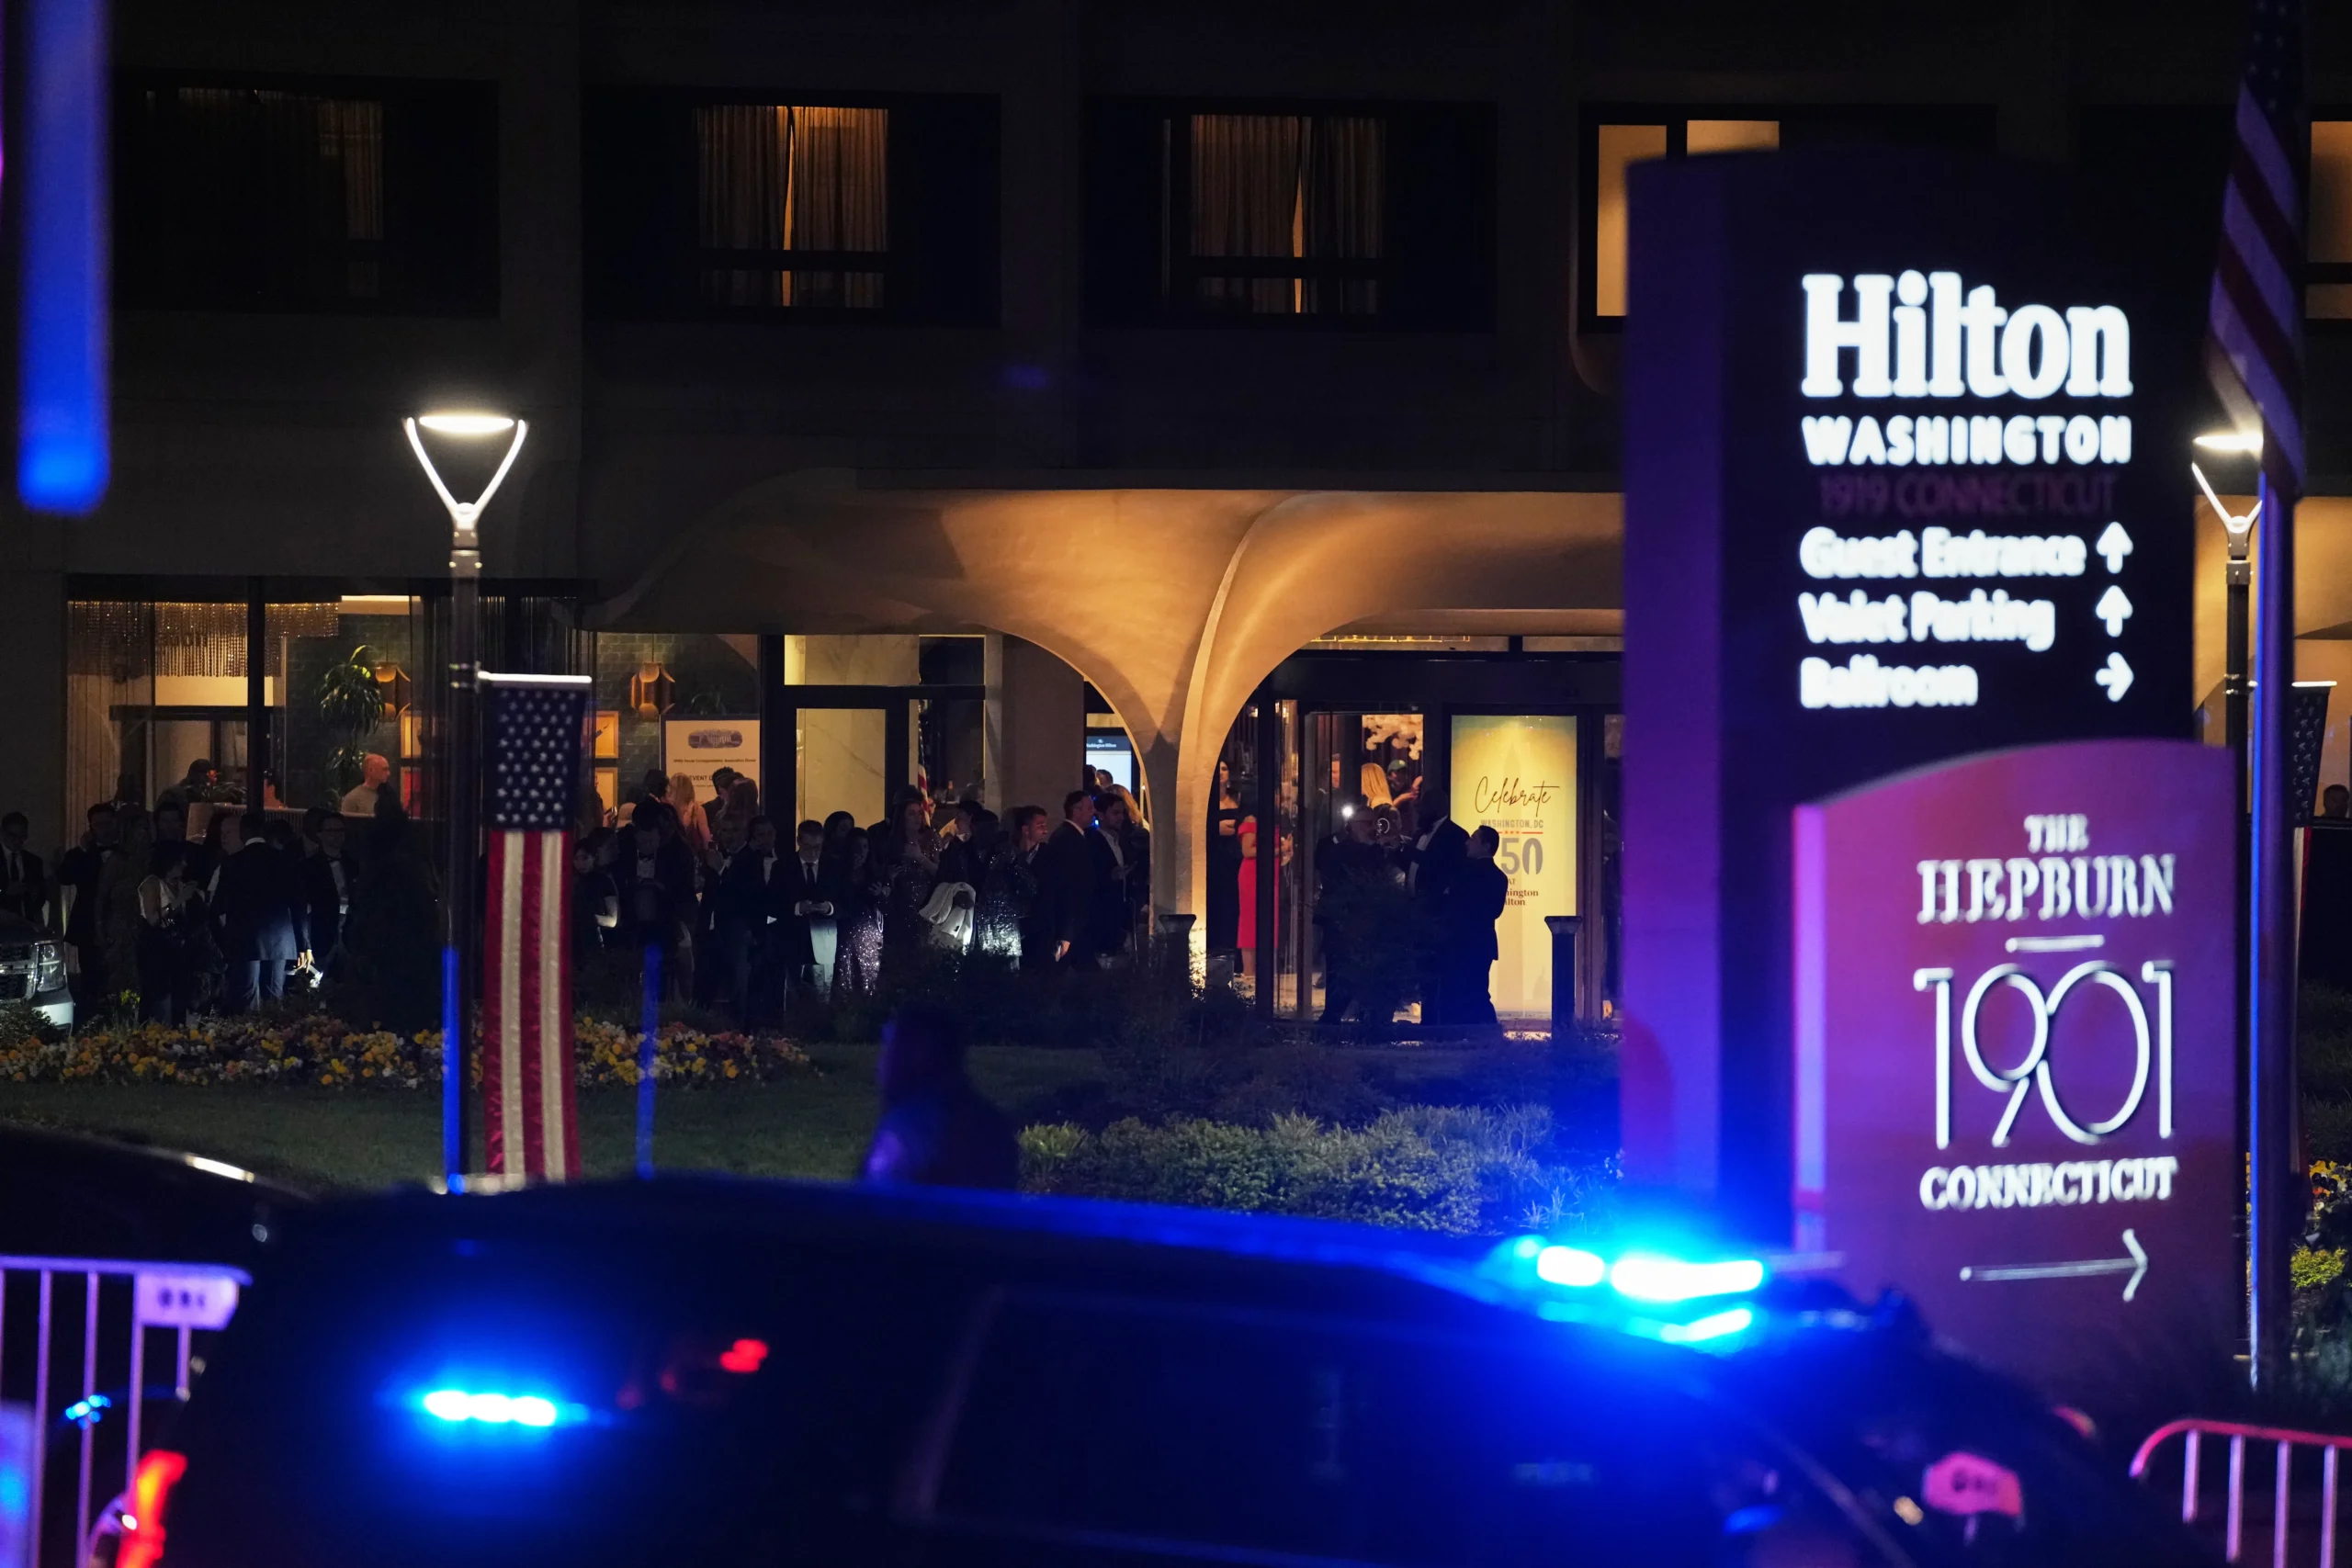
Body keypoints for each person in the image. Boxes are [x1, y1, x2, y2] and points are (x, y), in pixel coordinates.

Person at [860, 1005, 1019, 1190]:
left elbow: (874, 1202)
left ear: (919, 1053)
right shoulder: (992, 1124)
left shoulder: (910, 1131)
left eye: (890, 1049)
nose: (881, 1064)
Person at [210, 811, 309, 1012]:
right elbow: (298, 904)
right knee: (273, 997)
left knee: (246, 997)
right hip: (281, 939)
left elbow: (218, 907)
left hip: (244, 938)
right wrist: (304, 945)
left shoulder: (233, 863)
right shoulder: (284, 860)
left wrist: (224, 942)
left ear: (243, 832)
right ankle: (273, 1039)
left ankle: (249, 1040)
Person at [1316, 799, 1390, 1024]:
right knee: (1340, 979)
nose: (1373, 828)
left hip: (1361, 925)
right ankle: (1330, 1024)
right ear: (1356, 825)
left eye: (1374, 823)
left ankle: (1343, 1022)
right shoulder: (1340, 851)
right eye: (1368, 823)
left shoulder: (1370, 850)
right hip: (1343, 926)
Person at [1408, 784, 1469, 1023]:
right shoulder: (1420, 834)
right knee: (1422, 967)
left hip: (1437, 915)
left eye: (1423, 806)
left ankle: (1436, 1021)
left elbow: (1439, 867)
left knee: (1437, 969)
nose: (1419, 811)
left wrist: (1409, 851)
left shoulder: (1455, 835)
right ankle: (1428, 1018)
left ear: (1436, 808)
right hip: (1417, 912)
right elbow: (1416, 869)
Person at [57, 802, 122, 1006]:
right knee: (91, 976)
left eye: (108, 823)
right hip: (88, 925)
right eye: (98, 824)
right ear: (91, 827)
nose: (104, 829)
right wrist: (83, 850)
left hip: (122, 919)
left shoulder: (128, 852)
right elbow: (64, 877)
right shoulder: (81, 854)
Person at [1445, 826, 1510, 1029]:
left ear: (1485, 846)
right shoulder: (1499, 876)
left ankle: (1485, 1030)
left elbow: (1453, 901)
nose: (1467, 842)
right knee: (1477, 988)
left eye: (1473, 839)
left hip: (1462, 940)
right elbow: (1494, 911)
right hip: (1482, 941)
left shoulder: (1465, 873)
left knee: (1466, 989)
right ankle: (1484, 1032)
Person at [721, 816, 785, 1022]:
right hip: (747, 923)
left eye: (769, 834)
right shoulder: (746, 860)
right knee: (742, 974)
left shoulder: (783, 859)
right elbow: (734, 890)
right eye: (761, 835)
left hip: (776, 924)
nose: (766, 839)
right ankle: (741, 1021)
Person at [1037, 790, 1108, 965]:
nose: (1094, 812)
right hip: (1074, 923)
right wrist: (1066, 931)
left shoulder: (1074, 837)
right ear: (1076, 811)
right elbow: (1067, 885)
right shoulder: (1068, 839)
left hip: (1077, 921)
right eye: (1089, 808)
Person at [134, 842, 201, 1022]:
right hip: (156, 949)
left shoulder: (180, 884)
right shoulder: (152, 883)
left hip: (178, 948)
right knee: (160, 997)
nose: (185, 865)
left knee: (179, 997)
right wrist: (179, 901)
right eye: (181, 861)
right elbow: (153, 919)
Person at [779, 818, 842, 1005]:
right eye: (808, 847)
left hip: (824, 937)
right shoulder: (783, 866)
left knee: (823, 995)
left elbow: (846, 901)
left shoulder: (833, 866)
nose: (813, 853)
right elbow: (773, 903)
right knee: (793, 994)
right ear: (799, 841)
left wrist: (830, 908)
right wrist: (797, 908)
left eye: (818, 847)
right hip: (793, 937)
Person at [832, 829, 886, 995]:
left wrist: (881, 894)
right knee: (846, 975)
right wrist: (849, 874)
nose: (861, 851)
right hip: (847, 931)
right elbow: (841, 900)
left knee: (869, 977)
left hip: (870, 932)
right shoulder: (838, 872)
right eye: (857, 847)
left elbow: (882, 906)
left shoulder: (874, 872)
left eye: (865, 846)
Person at [301, 813, 354, 981]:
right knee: (316, 980)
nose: (336, 835)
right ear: (320, 835)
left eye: (340, 831)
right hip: (322, 931)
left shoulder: (352, 863)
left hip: (349, 930)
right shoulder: (310, 866)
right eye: (331, 831)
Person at [1093, 791, 1146, 959]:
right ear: (1101, 815)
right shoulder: (1093, 841)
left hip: (1121, 913)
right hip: (1102, 916)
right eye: (1115, 813)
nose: (1120, 817)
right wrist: (1110, 877)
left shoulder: (1123, 840)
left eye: (1122, 812)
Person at [1206, 760, 1243, 960]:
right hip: (1214, 858)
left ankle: (1233, 953)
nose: (1221, 773)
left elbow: (1240, 827)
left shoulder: (1237, 798)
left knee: (1233, 904)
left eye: (1224, 769)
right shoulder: (1208, 802)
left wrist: (1229, 828)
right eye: (1217, 769)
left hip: (1234, 857)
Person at [0, 813, 46, 927]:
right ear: (2, 833)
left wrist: (33, 893)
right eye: (12, 836)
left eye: (22, 837)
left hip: (26, 923)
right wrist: (4, 890)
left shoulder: (34, 861)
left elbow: (40, 895)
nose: (17, 841)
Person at [667, 771, 711, 858]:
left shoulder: (668, 809)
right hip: (694, 859)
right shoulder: (697, 810)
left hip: (671, 857)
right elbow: (707, 840)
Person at [340, 753, 392, 818]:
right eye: (384, 769)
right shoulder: (353, 799)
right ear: (371, 770)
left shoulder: (389, 795)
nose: (388, 773)